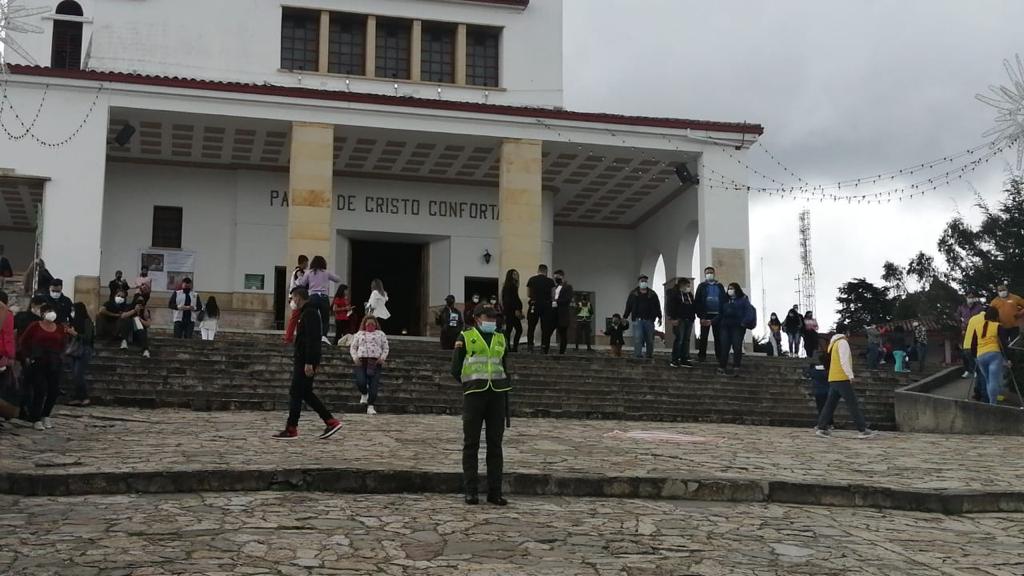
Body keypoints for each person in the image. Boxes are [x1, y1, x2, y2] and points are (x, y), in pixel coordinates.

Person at [451, 306, 510, 506]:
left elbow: (504, 364)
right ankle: (471, 492)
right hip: (475, 395)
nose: (492, 321)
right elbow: (455, 368)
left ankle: (495, 492)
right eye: (488, 317)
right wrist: (469, 383)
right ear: (477, 318)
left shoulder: (501, 337)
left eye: (495, 318)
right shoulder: (466, 336)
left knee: (495, 445)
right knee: (471, 444)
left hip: (497, 395)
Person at [272, 287, 342, 440]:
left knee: (296, 392)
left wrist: (309, 362)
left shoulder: (309, 313)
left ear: (298, 297)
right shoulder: (306, 312)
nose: (292, 301)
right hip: (304, 359)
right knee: (305, 393)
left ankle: (291, 429)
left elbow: (312, 339)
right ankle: (330, 421)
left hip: (306, 360)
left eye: (293, 297)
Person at [815, 323, 876, 439]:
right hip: (842, 378)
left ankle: (821, 427)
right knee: (852, 404)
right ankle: (862, 429)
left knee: (830, 405)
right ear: (845, 332)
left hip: (833, 377)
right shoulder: (843, 343)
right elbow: (844, 361)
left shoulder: (833, 343)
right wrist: (850, 375)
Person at [18, 303, 68, 431]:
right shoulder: (35, 326)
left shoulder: (59, 328)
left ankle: (46, 415)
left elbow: (63, 343)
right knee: (39, 390)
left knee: (53, 390)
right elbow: (23, 341)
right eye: (48, 311)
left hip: (54, 362)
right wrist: (27, 356)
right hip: (39, 361)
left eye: (52, 310)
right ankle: (35, 418)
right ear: (43, 313)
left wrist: (60, 356)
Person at [963, 307, 1007, 405]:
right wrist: (1007, 358)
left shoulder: (977, 326)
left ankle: (990, 403)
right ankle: (993, 404)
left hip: (980, 356)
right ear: (996, 316)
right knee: (994, 380)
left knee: (987, 380)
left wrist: (975, 357)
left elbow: (973, 344)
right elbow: (1003, 343)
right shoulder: (998, 326)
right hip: (994, 355)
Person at [350, 315, 389, 416]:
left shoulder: (380, 334)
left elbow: (385, 348)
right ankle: (364, 393)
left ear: (376, 325)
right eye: (368, 324)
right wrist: (355, 358)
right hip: (361, 361)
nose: (370, 326)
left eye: (372, 324)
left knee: (374, 384)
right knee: (361, 381)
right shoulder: (359, 334)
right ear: (364, 324)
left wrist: (382, 358)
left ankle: (371, 405)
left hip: (375, 362)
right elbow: (353, 347)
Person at [296, 256, 342, 342]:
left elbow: (302, 283)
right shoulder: (326, 273)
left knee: (312, 316)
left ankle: (311, 334)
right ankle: (323, 336)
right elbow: (337, 279)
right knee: (325, 319)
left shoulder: (309, 273)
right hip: (324, 297)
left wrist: (299, 277)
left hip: (313, 296)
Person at [718, 283, 754, 376]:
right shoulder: (725, 300)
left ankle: (736, 367)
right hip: (725, 326)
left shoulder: (743, 300)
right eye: (729, 288)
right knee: (724, 347)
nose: (730, 290)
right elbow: (720, 313)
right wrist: (713, 321)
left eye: (732, 288)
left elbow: (749, 312)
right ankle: (722, 367)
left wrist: (744, 322)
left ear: (737, 289)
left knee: (737, 347)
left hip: (738, 327)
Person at [624, 274, 662, 359]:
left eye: (645, 281)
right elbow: (628, 306)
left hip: (649, 320)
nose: (644, 282)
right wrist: (625, 317)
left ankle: (649, 354)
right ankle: (638, 355)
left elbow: (657, 306)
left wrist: (660, 317)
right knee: (638, 338)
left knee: (650, 339)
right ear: (639, 282)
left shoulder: (652, 294)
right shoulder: (633, 294)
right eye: (642, 281)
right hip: (638, 320)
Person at [66, 302, 95, 407]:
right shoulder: (74, 322)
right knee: (75, 375)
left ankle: (85, 396)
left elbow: (88, 337)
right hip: (74, 349)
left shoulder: (87, 322)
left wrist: (75, 334)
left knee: (79, 374)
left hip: (84, 349)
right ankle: (78, 397)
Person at [694, 266, 725, 363]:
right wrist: (700, 316)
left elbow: (724, 300)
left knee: (718, 337)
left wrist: (722, 313)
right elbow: (697, 301)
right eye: (707, 273)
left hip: (717, 316)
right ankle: (701, 356)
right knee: (704, 336)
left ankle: (719, 357)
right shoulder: (701, 286)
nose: (709, 274)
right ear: (705, 274)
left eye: (711, 272)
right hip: (705, 315)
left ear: (714, 274)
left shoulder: (719, 286)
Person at [666, 278, 696, 368]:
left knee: (686, 340)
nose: (688, 288)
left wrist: (693, 317)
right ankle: (675, 359)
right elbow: (670, 307)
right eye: (687, 286)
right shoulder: (674, 294)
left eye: (689, 286)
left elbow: (693, 306)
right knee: (679, 339)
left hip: (689, 320)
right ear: (681, 285)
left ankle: (684, 359)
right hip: (679, 320)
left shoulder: (690, 295)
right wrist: (672, 318)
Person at [525, 265, 555, 352]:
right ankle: (544, 347)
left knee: (531, 327)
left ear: (538, 270)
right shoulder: (550, 281)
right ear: (546, 271)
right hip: (546, 306)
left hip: (534, 305)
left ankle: (530, 346)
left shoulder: (532, 279)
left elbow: (528, 294)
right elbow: (553, 295)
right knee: (545, 327)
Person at [957, 294, 985, 378]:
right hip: (965, 331)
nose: (971, 299)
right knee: (965, 351)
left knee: (975, 351)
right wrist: (961, 327)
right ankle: (967, 370)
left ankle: (977, 370)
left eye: (972, 298)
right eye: (969, 298)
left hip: (976, 331)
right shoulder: (961, 307)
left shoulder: (979, 307)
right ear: (966, 298)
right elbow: (957, 317)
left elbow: (983, 317)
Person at [283, 255, 309, 344]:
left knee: (297, 319)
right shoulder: (298, 272)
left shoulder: (297, 272)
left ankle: (293, 337)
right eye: (307, 263)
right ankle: (288, 338)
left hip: (296, 298)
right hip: (297, 298)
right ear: (304, 262)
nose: (307, 265)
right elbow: (300, 284)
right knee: (295, 318)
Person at [990, 283, 1023, 349]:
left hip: (1014, 326)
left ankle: (1016, 358)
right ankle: (1007, 358)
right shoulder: (994, 302)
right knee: (1004, 345)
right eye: (1000, 290)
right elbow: (990, 313)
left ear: (1007, 290)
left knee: (1015, 345)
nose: (1002, 292)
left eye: (1003, 290)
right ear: (997, 292)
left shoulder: (1015, 298)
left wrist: (1020, 313)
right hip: (1002, 327)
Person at [803, 355, 832, 429]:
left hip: (818, 391)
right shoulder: (828, 370)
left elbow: (807, 374)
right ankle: (830, 423)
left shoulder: (814, 370)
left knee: (821, 408)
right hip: (828, 390)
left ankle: (822, 423)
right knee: (828, 407)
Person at [550, 270, 574, 355]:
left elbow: (568, 299)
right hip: (553, 313)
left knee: (562, 334)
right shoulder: (554, 288)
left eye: (557, 277)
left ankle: (562, 351)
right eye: (554, 277)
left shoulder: (568, 287)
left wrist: (557, 301)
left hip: (562, 313)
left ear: (562, 276)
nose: (555, 279)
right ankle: (545, 348)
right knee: (548, 331)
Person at [500, 269, 523, 352]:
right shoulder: (510, 286)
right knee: (515, 330)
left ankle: (511, 347)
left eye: (516, 274)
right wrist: (516, 309)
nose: (516, 276)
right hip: (511, 312)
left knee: (510, 330)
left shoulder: (512, 286)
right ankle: (510, 347)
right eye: (514, 274)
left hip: (511, 311)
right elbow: (510, 300)